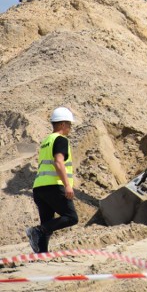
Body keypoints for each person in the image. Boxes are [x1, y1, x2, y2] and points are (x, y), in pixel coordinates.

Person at [26, 106, 79, 254]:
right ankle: (36, 231)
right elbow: (58, 162)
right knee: (71, 217)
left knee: (47, 223)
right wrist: (67, 185)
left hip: (39, 188)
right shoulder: (61, 139)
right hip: (54, 186)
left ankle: (41, 254)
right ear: (62, 124)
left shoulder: (46, 141)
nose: (70, 127)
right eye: (69, 124)